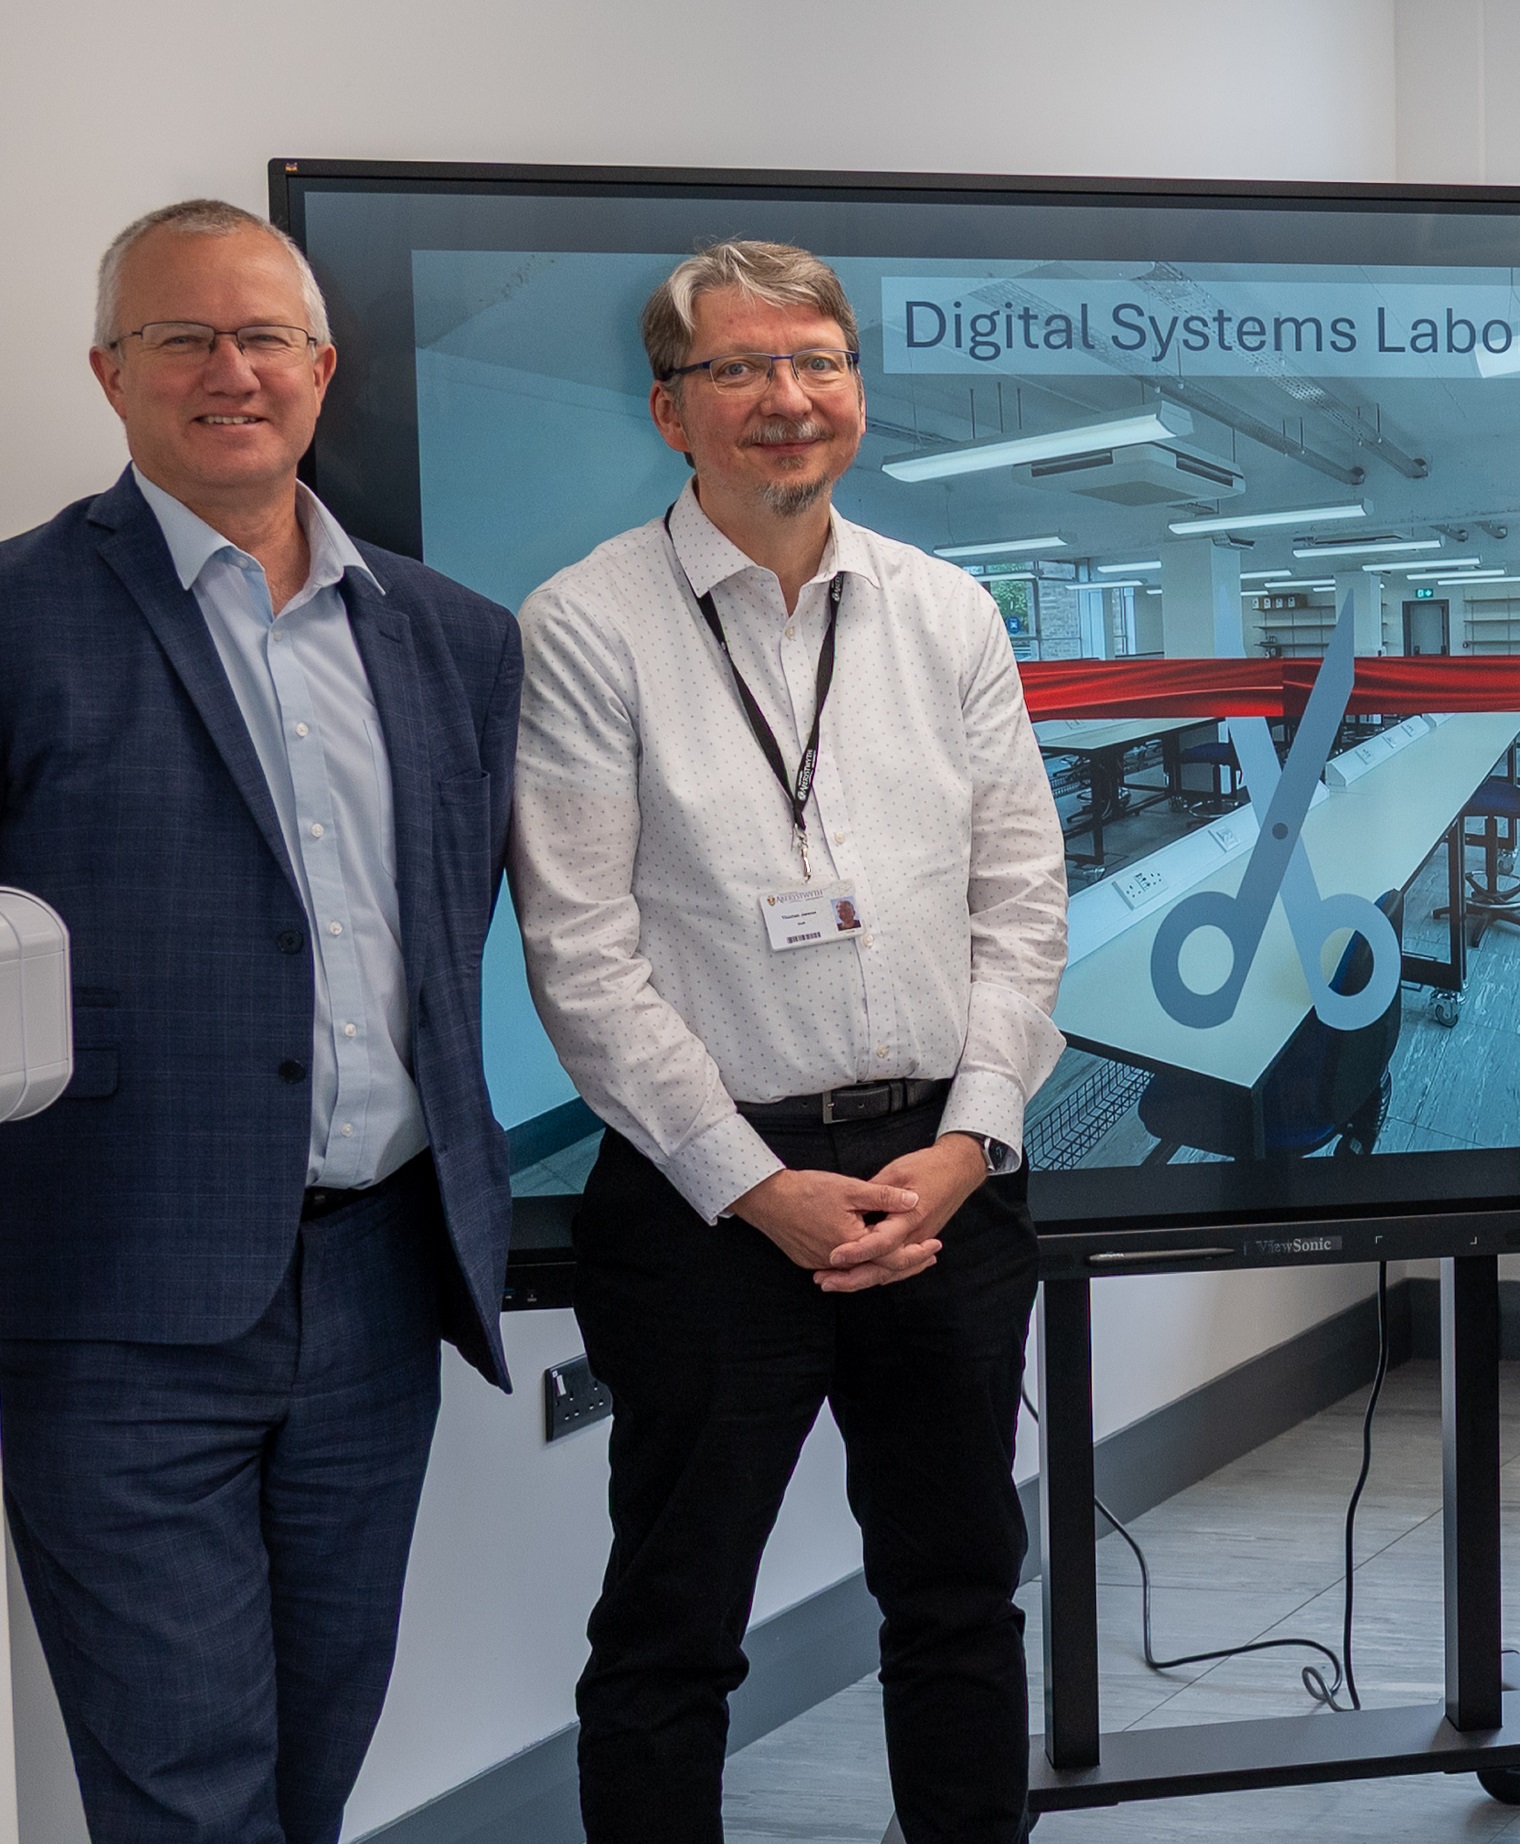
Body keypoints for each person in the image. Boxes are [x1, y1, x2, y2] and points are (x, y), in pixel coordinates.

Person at [508, 241, 1067, 1844]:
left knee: (961, 1598)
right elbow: (581, 952)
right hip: (706, 1211)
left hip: (939, 1190)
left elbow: (1024, 899)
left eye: (817, 362)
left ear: (857, 393)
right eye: (742, 370)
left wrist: (968, 1147)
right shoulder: (588, 625)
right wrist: (760, 1187)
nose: (787, 399)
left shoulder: (944, 610)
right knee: (673, 1631)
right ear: (671, 409)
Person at [0, 200, 519, 1844]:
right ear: (110, 370)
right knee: (181, 1785)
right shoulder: (19, 620)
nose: (231, 370)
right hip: (116, 1305)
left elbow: (460, 925)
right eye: (182, 338)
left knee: (313, 1752)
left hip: (376, 1284)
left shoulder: (453, 637)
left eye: (264, 337)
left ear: (321, 366)